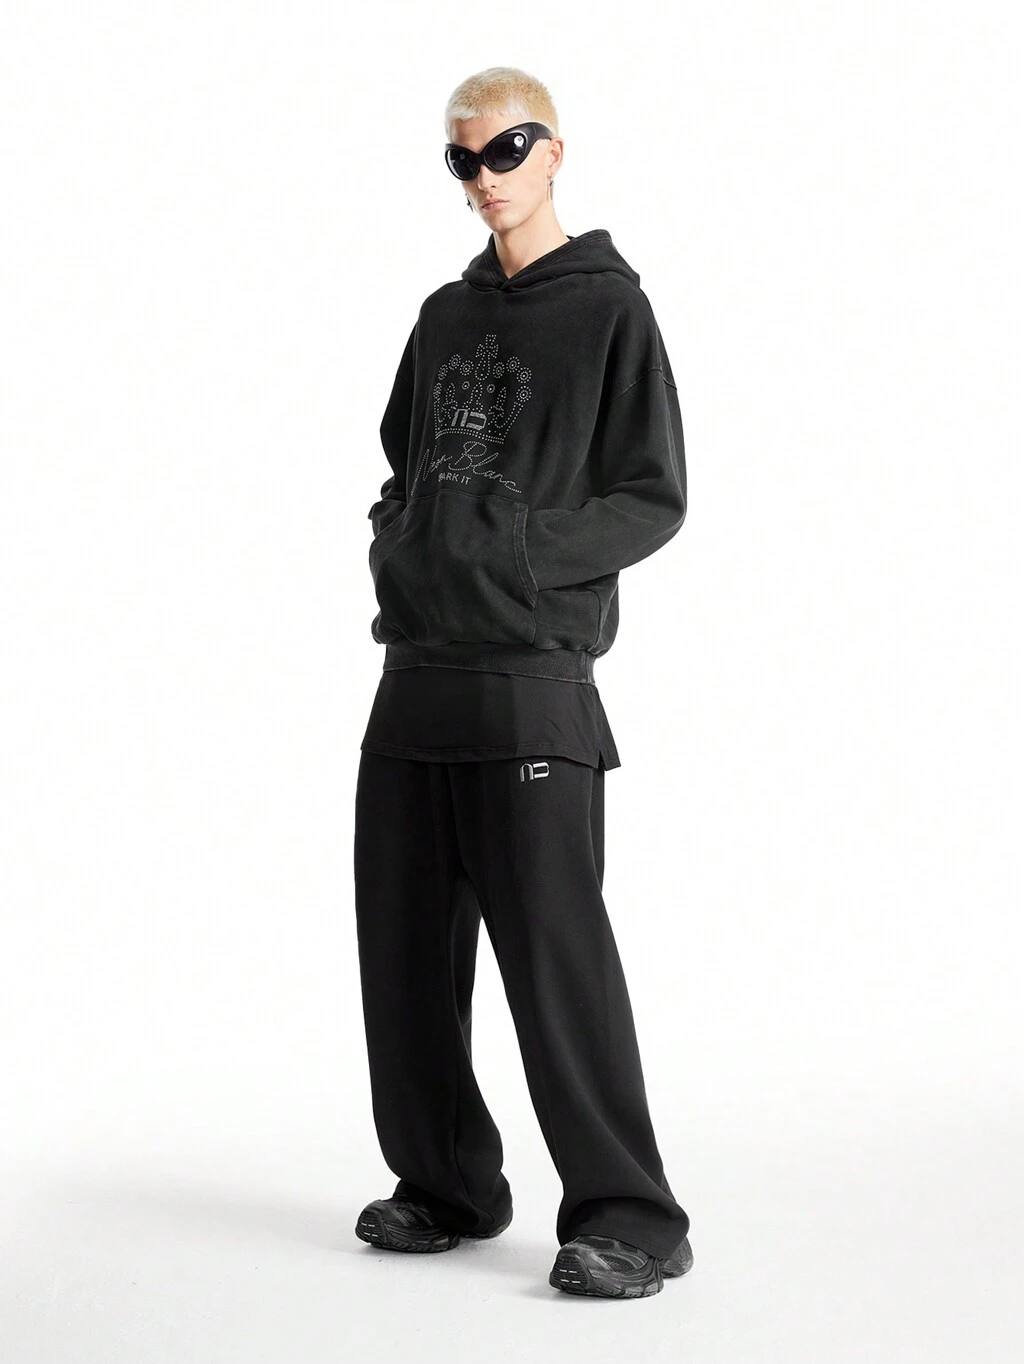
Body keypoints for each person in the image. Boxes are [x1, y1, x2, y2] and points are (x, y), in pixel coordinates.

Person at [352, 66, 692, 1300]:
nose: (485, 176)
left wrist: (518, 557)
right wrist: (407, 546)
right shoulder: (443, 316)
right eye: (464, 158)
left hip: (531, 681)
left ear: (554, 152)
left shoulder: (609, 311)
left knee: (555, 960)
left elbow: (652, 495)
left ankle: (631, 1215)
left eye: (507, 149)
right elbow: (402, 470)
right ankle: (447, 1182)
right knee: (402, 954)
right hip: (415, 675)